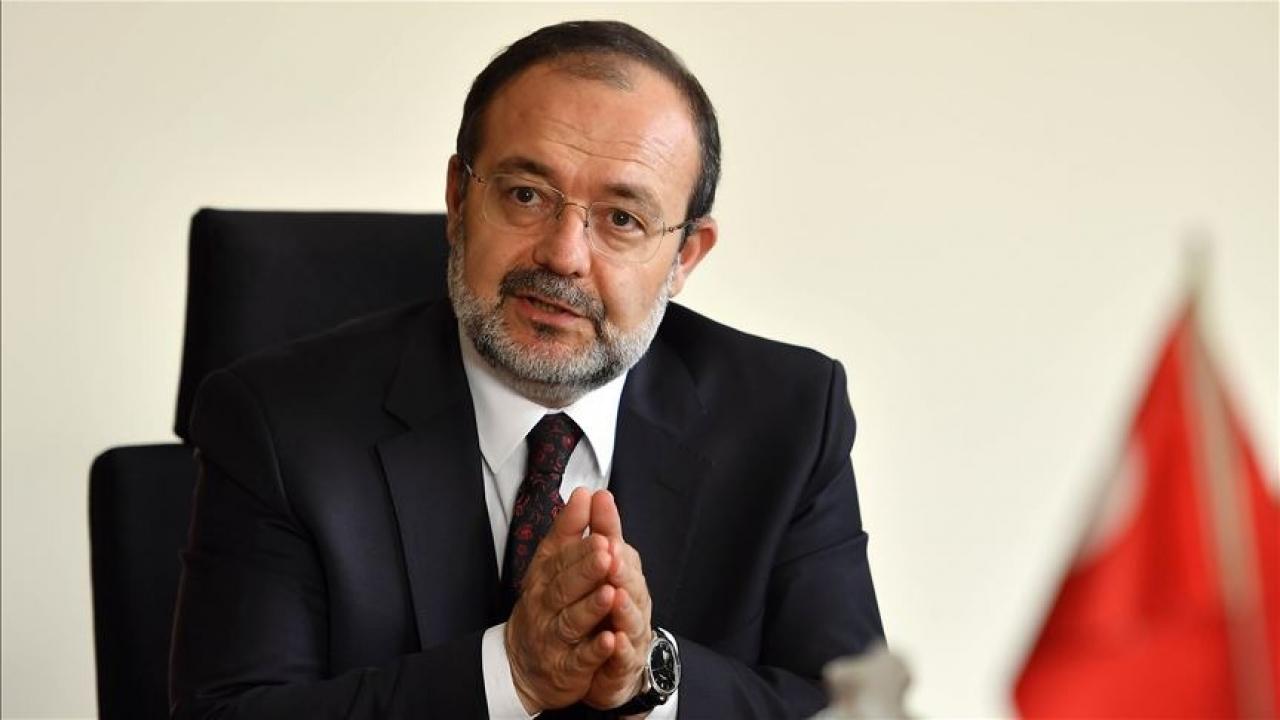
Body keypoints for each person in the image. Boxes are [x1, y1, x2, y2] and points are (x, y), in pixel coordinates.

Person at [170, 19, 883, 719]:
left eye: (623, 219)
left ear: (684, 257)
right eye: (525, 196)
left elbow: (852, 708)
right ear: (459, 199)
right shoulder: (277, 422)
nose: (563, 256)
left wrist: (651, 676)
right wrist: (509, 675)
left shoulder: (790, 417)